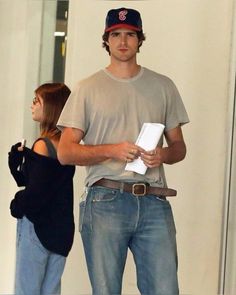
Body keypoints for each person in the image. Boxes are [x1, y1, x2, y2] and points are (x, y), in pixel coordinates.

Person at [57, 7, 189, 295]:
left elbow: (179, 147)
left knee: (166, 290)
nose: (123, 41)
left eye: (130, 34)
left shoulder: (163, 86)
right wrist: (112, 150)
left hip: (154, 201)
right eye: (115, 35)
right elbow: (65, 152)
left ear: (140, 39)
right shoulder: (87, 88)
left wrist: (162, 155)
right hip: (105, 199)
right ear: (106, 40)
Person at [8, 83, 75, 295]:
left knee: (26, 290)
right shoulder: (65, 147)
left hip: (37, 229)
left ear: (51, 107)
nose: (32, 105)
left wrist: (17, 205)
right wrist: (19, 166)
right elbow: (47, 183)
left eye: (37, 100)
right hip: (60, 232)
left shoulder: (42, 144)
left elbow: (35, 194)